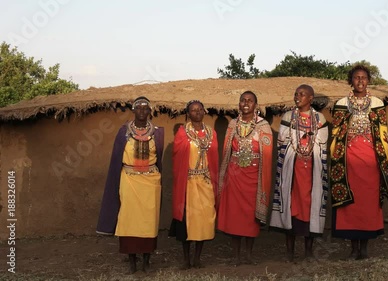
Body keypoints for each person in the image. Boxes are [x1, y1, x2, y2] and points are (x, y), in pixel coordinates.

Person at [330, 64, 388, 260]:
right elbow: (336, 133)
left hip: (371, 160)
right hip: (347, 161)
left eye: (363, 78)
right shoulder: (341, 103)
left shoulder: (376, 103)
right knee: (350, 204)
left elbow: (383, 133)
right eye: (356, 77)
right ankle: (353, 248)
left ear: (368, 80)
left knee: (368, 202)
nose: (360, 81)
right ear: (351, 81)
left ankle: (364, 248)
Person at [96, 96, 164, 273]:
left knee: (149, 221)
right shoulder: (123, 132)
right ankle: (132, 261)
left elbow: (160, 158)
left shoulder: (157, 133)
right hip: (129, 180)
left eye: (145, 108)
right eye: (138, 108)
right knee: (129, 219)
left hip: (151, 181)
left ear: (150, 111)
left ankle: (146, 261)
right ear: (133, 111)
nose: (142, 111)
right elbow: (117, 158)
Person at [270, 84, 329, 262]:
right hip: (292, 172)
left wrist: (307, 144)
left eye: (302, 94)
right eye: (296, 94)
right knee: (290, 207)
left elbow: (323, 144)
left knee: (310, 206)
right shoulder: (289, 116)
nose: (298, 97)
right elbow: (282, 142)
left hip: (312, 172)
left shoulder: (319, 118)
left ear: (311, 98)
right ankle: (289, 252)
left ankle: (309, 252)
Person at [217, 91, 273, 266]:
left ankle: (248, 254)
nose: (246, 103)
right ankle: (236, 255)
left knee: (250, 218)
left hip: (253, 178)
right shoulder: (233, 124)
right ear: (239, 104)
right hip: (234, 177)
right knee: (235, 216)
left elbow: (268, 153)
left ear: (256, 105)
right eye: (243, 100)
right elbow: (227, 152)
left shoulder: (263, 126)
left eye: (250, 100)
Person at [169, 100, 219, 269]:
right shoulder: (183, 133)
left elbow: (214, 158)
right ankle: (186, 259)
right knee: (187, 221)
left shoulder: (212, 133)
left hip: (205, 183)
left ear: (204, 111)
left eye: (200, 109)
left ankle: (197, 258)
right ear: (188, 114)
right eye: (193, 110)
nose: (197, 112)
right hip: (188, 182)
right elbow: (177, 157)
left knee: (204, 221)